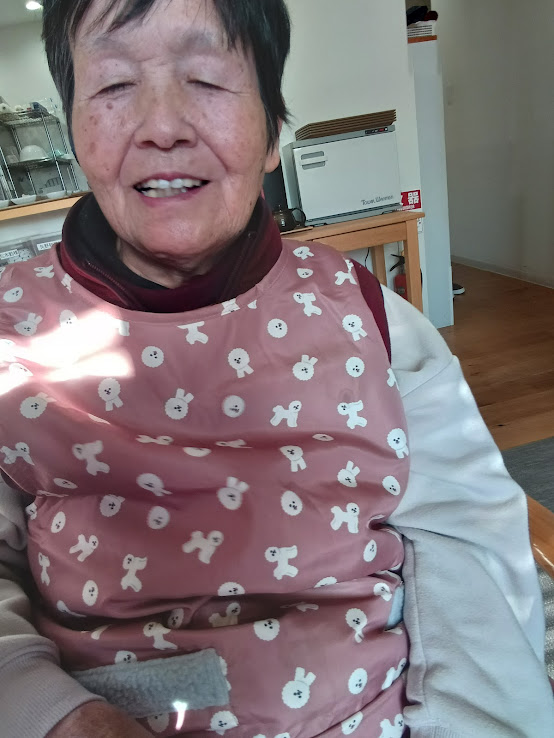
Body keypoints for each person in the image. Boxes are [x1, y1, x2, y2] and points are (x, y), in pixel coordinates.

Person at [0, 1, 552, 736]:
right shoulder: (11, 333)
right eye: (114, 85)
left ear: (272, 131)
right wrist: (50, 711)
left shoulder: (374, 321)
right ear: (74, 133)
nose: (162, 126)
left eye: (205, 78)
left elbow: (469, 552)